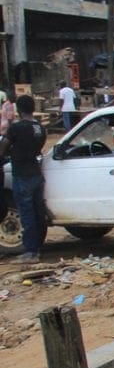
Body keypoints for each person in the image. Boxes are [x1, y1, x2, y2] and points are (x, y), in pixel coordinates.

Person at [0, 95, 47, 263]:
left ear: (18, 110)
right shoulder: (39, 128)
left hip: (22, 174)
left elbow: (3, 147)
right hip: (36, 173)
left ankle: (31, 252)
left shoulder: (17, 128)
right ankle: (37, 247)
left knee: (26, 214)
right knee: (38, 213)